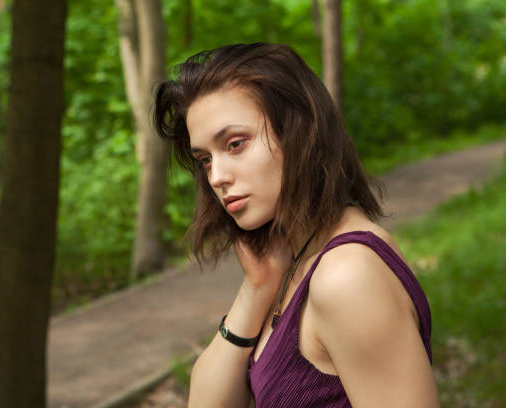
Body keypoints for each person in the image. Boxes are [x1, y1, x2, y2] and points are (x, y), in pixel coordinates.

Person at [154, 43, 439, 407]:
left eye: (236, 144)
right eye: (206, 159)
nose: (217, 177)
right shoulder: (299, 257)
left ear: (299, 132)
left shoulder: (347, 275)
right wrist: (256, 290)